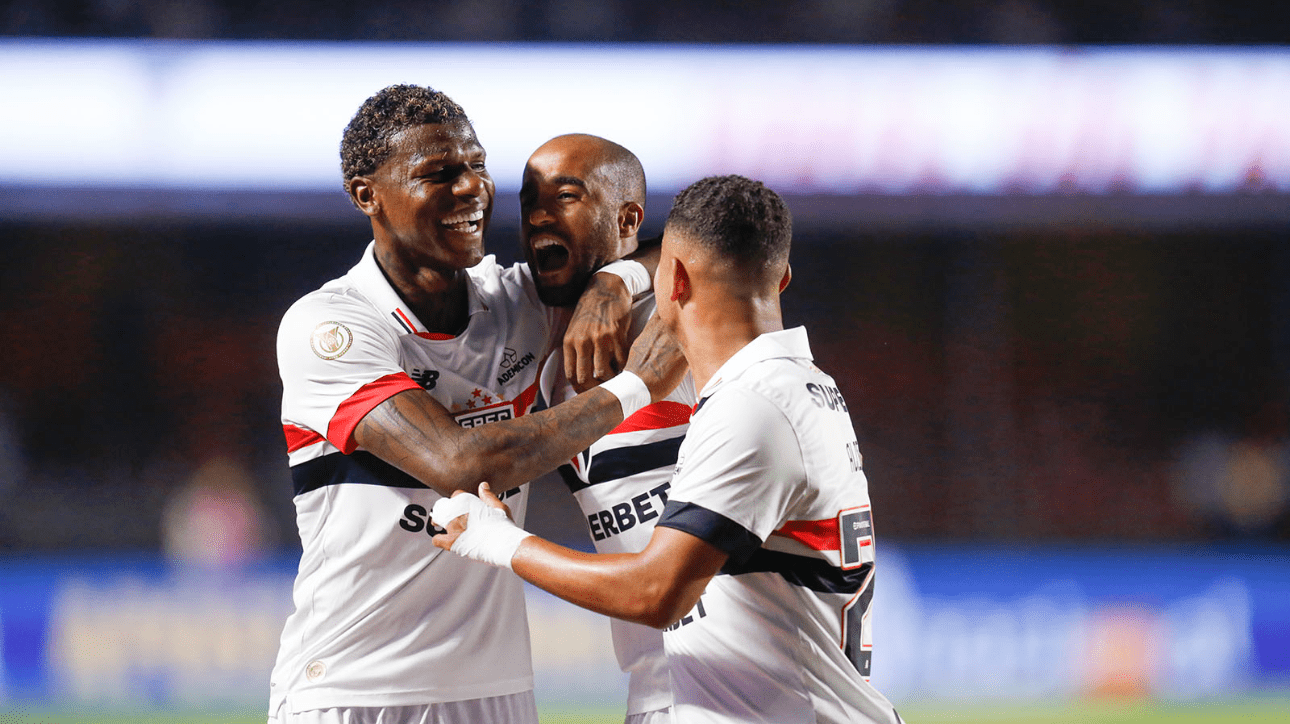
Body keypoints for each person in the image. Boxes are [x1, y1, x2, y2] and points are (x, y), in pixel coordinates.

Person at [269, 85, 683, 724]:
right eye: (437, 174)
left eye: (477, 166)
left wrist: (614, 282)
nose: (471, 190)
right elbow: (459, 464)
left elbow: (705, 246)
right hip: (356, 687)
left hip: (499, 692)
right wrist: (632, 388)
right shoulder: (332, 326)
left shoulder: (516, 304)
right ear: (366, 195)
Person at [432, 175, 905, 724]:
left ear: (672, 280)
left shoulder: (751, 406)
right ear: (783, 279)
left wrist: (497, 541)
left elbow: (656, 592)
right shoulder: (796, 385)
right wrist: (618, 275)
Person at [521, 133, 697, 724]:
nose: (540, 215)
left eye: (566, 196)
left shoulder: (691, 315)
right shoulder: (542, 346)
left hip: (753, 690)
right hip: (656, 693)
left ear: (628, 217)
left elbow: (745, 231)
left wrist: (620, 280)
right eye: (528, 201)